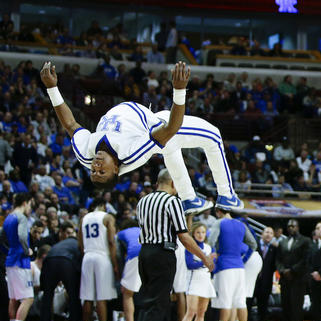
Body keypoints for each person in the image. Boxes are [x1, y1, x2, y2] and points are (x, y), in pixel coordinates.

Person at [40, 61, 242, 214]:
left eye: (93, 170)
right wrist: (179, 91)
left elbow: (70, 124)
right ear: (117, 169)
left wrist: (52, 88)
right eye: (102, 171)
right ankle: (226, 195)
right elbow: (171, 128)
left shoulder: (85, 154)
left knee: (169, 150)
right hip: (163, 124)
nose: (96, 165)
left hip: (155, 127)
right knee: (214, 136)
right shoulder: (131, 153)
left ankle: (189, 199)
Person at [119, 169, 213, 321]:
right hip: (163, 254)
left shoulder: (142, 202)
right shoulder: (172, 202)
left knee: (155, 305)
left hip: (145, 254)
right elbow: (184, 237)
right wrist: (204, 257)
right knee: (156, 305)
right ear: (172, 181)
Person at [204, 207, 256, 321]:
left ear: (218, 212)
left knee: (225, 302)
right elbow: (253, 244)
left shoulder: (219, 223)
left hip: (225, 266)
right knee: (240, 302)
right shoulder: (242, 224)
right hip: (239, 267)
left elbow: (210, 241)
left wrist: (214, 254)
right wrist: (243, 260)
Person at [78, 198, 119, 321]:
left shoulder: (84, 218)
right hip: (102, 256)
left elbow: (80, 243)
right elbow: (111, 242)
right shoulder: (107, 217)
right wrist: (115, 264)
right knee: (101, 297)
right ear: (103, 206)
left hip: (87, 256)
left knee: (87, 297)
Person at [37, 222, 83, 321]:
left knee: (47, 298)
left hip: (49, 261)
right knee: (74, 298)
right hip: (66, 262)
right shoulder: (79, 244)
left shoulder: (59, 244)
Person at [4, 193, 36, 321]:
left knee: (13, 298)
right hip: (20, 261)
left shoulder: (8, 217)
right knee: (28, 298)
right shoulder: (21, 217)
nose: (30, 208)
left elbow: (2, 237)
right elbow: (23, 236)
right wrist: (27, 250)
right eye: (30, 204)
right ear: (25, 203)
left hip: (10, 260)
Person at [179, 223, 216, 321]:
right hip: (193, 281)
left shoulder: (209, 247)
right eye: (198, 232)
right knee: (191, 312)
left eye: (203, 232)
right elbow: (190, 264)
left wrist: (208, 261)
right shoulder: (190, 247)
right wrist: (205, 260)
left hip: (206, 280)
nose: (201, 235)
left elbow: (213, 264)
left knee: (202, 312)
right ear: (193, 233)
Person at [277, 219, 311, 321]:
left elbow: (305, 259)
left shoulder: (305, 240)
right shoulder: (283, 241)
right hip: (285, 278)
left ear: (298, 227)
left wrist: (292, 270)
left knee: (297, 304)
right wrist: (282, 270)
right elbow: (278, 259)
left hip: (298, 278)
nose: (291, 228)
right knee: (286, 304)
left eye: (293, 226)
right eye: (289, 226)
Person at [114, 219, 141, 321]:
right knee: (149, 294)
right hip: (154, 255)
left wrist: (121, 274)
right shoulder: (143, 230)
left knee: (127, 293)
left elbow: (118, 255)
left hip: (135, 255)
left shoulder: (120, 234)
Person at [253, 226, 278, 321]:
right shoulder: (254, 246)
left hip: (266, 283)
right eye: (267, 232)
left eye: (271, 233)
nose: (268, 234)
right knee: (248, 305)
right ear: (262, 234)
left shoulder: (274, 249)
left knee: (263, 308)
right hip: (253, 282)